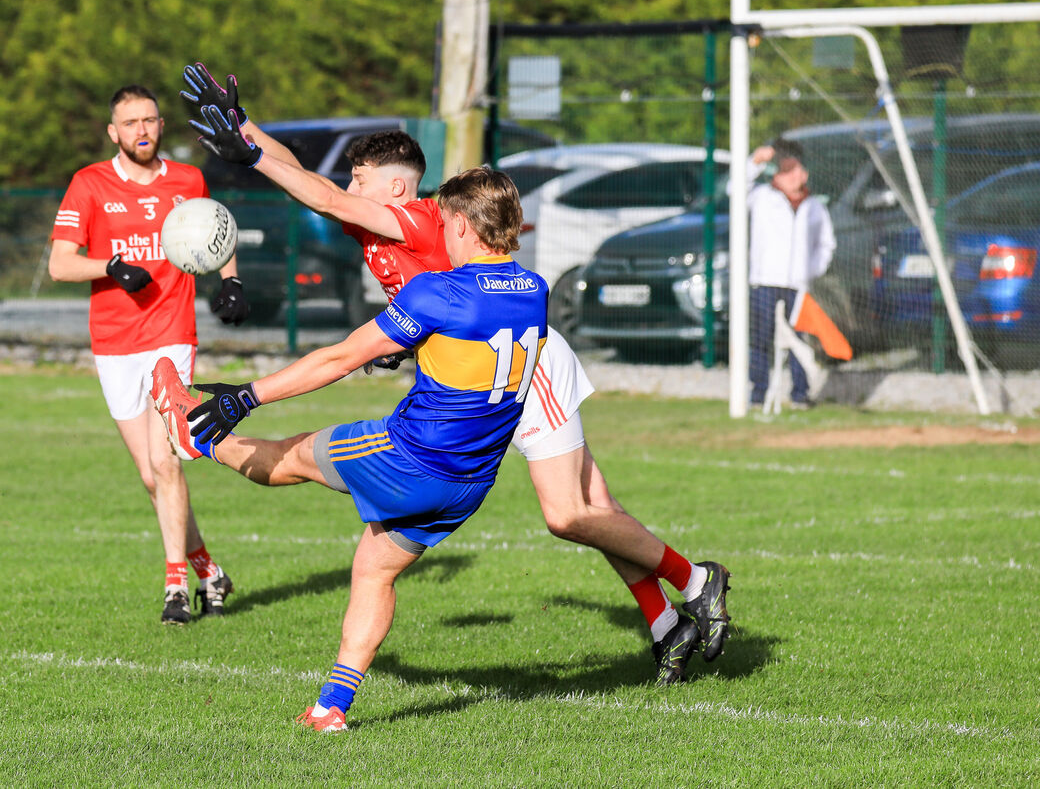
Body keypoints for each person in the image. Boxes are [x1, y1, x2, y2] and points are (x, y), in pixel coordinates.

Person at [178, 63, 733, 685]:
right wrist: (244, 124)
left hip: (519, 363)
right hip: (479, 366)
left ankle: (695, 581)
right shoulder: (374, 219)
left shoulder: (413, 217)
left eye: (359, 178)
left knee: (570, 513)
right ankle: (667, 625)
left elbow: (322, 194)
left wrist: (249, 152)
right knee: (590, 507)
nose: (343, 186)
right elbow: (313, 184)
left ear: (394, 188)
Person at [151, 167, 548, 732]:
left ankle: (196, 437)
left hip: (407, 457)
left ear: (461, 223)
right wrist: (407, 343)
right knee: (373, 570)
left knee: (287, 459)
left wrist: (247, 395)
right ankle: (329, 708)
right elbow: (470, 348)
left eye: (442, 220)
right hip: (469, 483)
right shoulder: (535, 290)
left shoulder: (439, 291)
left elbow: (339, 358)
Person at [49, 84, 250, 625]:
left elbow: (219, 231)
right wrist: (110, 267)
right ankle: (210, 569)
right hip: (115, 343)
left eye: (151, 120)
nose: (142, 129)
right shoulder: (89, 183)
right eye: (130, 122)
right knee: (150, 475)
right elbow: (60, 264)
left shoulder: (188, 180)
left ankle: (176, 587)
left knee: (167, 462)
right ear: (113, 132)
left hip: (171, 336)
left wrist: (230, 282)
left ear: (162, 126)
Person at [745, 137, 837, 410]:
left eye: (795, 169)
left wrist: (811, 270)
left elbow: (826, 244)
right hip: (764, 281)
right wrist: (755, 162)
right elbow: (734, 189)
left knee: (799, 337)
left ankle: (799, 394)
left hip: (797, 285)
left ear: (804, 173)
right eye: (784, 170)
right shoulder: (761, 197)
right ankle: (758, 393)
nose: (791, 176)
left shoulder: (814, 206)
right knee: (761, 338)